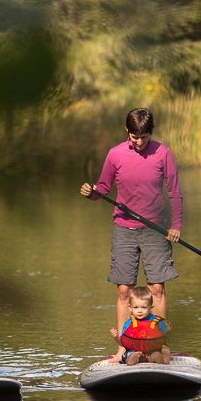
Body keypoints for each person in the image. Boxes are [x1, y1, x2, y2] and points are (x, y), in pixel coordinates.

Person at [80, 107, 182, 362]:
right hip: (124, 229)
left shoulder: (163, 153)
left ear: (151, 133)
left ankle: (158, 345)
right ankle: (124, 348)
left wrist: (176, 225)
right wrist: (91, 191)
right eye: (135, 137)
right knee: (124, 290)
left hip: (156, 229)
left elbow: (174, 192)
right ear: (128, 131)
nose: (139, 142)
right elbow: (102, 188)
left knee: (157, 289)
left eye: (144, 138)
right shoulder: (115, 154)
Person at [108, 286, 172, 365]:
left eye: (144, 307)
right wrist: (116, 337)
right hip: (134, 352)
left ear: (151, 307)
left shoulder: (158, 322)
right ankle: (133, 359)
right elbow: (122, 343)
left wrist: (168, 332)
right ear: (130, 308)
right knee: (129, 356)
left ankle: (164, 359)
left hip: (152, 352)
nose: (139, 311)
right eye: (135, 307)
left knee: (156, 355)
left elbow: (169, 339)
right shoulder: (128, 323)